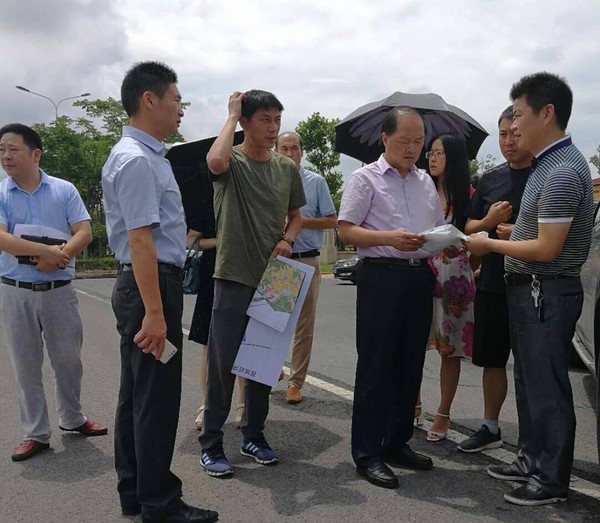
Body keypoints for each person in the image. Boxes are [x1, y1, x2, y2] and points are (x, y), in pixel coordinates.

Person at [467, 72, 594, 506]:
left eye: (519, 115)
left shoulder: (561, 170)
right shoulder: (548, 164)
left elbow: (547, 247)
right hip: (531, 291)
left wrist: (487, 242)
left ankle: (551, 479)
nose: (514, 125)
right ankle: (530, 459)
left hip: (547, 290)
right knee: (528, 381)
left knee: (547, 387)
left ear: (548, 113)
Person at [102, 61, 218, 522]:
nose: (181, 109)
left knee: (138, 396)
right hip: (151, 289)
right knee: (156, 399)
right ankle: (160, 503)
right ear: (150, 100)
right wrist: (155, 313)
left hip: (147, 284)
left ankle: (137, 494)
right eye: (176, 99)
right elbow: (140, 239)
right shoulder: (136, 160)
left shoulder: (149, 156)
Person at [198, 90, 305, 478]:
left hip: (275, 278)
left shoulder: (285, 169)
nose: (273, 127)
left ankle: (253, 436)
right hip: (232, 273)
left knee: (262, 363)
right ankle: (211, 443)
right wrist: (229, 115)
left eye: (277, 119)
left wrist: (288, 239)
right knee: (223, 364)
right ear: (245, 122)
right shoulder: (233, 163)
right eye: (264, 119)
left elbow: (296, 216)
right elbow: (214, 160)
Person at [338, 107, 445, 489]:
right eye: (405, 141)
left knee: (410, 364)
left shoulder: (425, 182)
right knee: (376, 366)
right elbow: (346, 231)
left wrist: (443, 240)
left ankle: (396, 442)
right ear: (385, 139)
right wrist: (389, 238)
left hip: (418, 278)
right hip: (381, 277)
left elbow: (433, 226)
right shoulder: (364, 179)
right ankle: (366, 453)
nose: (413, 149)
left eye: (419, 142)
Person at [0, 123, 107, 463]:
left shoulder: (64, 190)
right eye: (1, 150)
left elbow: (84, 231)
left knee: (68, 361)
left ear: (35, 154)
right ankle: (36, 433)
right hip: (16, 291)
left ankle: (72, 418)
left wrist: (61, 255)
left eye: (12, 149)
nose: (5, 156)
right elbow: (2, 238)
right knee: (26, 365)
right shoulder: (1, 193)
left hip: (59, 291)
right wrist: (43, 253)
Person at [457, 107, 531, 453]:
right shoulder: (489, 179)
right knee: (492, 360)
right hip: (491, 283)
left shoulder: (546, 174)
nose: (508, 141)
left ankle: (535, 441)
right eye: (502, 134)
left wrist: (519, 231)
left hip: (534, 286)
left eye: (515, 133)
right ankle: (490, 426)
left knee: (532, 367)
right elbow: (469, 229)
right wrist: (488, 219)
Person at [275, 131, 337, 404]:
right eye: (284, 148)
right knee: (272, 321)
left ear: (302, 151)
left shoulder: (316, 182)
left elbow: (332, 220)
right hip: (278, 260)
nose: (289, 154)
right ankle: (270, 368)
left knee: (304, 326)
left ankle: (296, 382)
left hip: (307, 258)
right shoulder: (269, 179)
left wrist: (299, 221)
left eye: (294, 148)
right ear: (276, 150)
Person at [423, 133, 476, 443]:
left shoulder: (467, 195)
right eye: (431, 152)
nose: (432, 158)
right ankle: (412, 403)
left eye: (439, 153)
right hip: (422, 274)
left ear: (453, 158)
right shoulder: (420, 191)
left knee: (449, 350)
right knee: (413, 343)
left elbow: (474, 237)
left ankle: (443, 413)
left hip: (454, 278)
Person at [186, 166, 245, 431]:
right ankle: (206, 404)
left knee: (247, 342)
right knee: (210, 344)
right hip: (214, 275)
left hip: (248, 273)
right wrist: (221, 240)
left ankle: (244, 405)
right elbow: (190, 240)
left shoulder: (248, 193)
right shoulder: (202, 197)